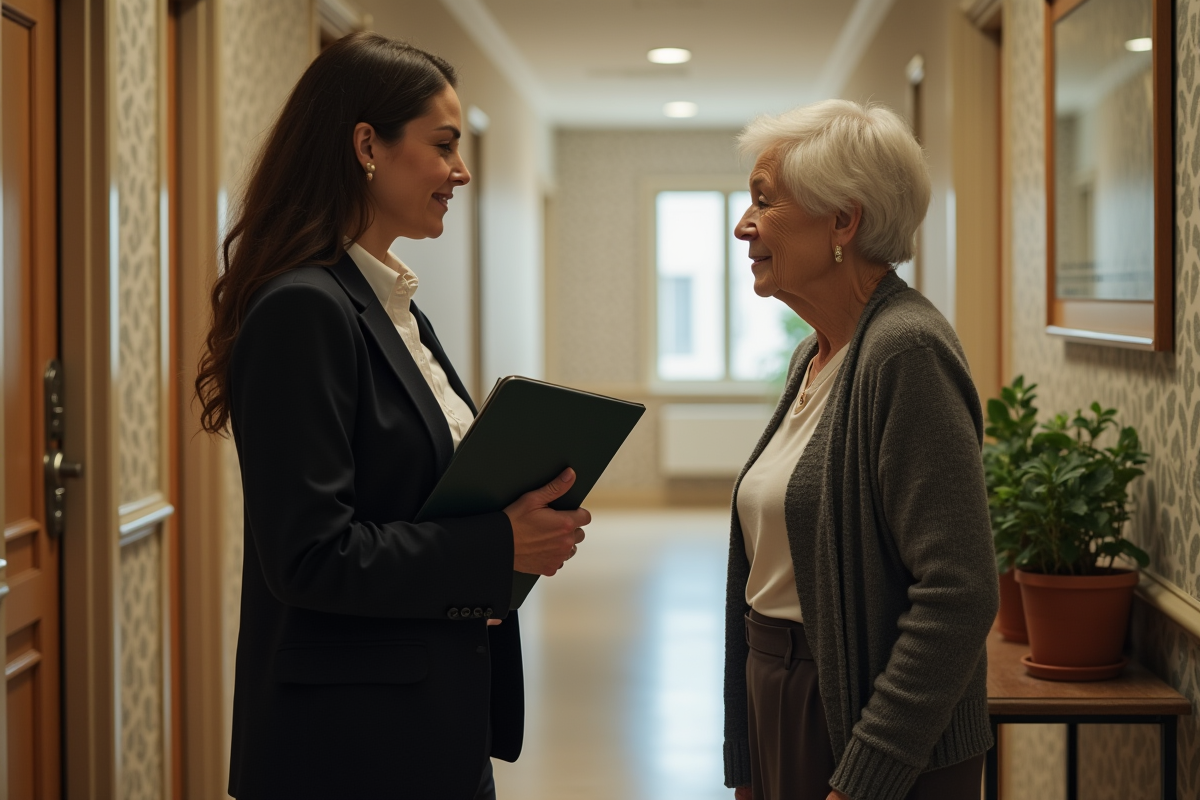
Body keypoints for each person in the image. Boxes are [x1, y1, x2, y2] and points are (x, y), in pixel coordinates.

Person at [194, 33, 588, 800]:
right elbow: (310, 555)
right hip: (348, 748)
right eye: (444, 146)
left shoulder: (385, 301)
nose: (462, 172)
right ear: (367, 144)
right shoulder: (304, 308)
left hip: (427, 716)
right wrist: (498, 544)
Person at [722, 99, 1000, 800]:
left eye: (764, 201)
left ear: (843, 221)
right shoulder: (814, 356)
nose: (742, 225)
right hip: (782, 695)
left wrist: (867, 776)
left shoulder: (906, 351)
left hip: (870, 730)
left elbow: (958, 593)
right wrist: (747, 756)